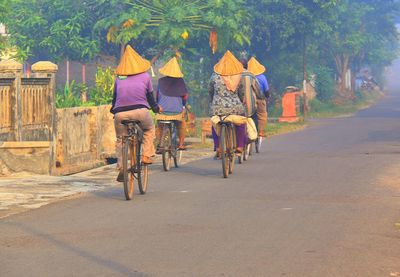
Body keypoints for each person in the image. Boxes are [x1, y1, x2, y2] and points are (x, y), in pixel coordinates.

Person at [110, 45, 162, 182]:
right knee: (149, 130)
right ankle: (146, 155)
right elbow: (151, 98)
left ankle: (121, 166)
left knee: (121, 140)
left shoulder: (118, 79)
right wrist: (156, 109)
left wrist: (113, 110)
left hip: (120, 114)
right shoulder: (145, 77)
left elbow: (114, 100)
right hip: (141, 112)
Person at [209, 50, 247, 157]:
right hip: (236, 108)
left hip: (217, 108)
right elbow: (242, 93)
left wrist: (213, 102)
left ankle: (218, 147)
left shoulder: (214, 76)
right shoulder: (239, 77)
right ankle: (239, 146)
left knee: (215, 124)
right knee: (240, 123)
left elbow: (210, 91)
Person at [156, 57, 189, 151]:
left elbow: (157, 96)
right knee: (181, 124)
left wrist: (157, 106)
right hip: (177, 111)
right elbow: (185, 96)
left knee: (160, 126)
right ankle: (181, 144)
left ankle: (160, 144)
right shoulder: (181, 81)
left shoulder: (160, 81)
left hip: (162, 111)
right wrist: (183, 106)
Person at [247, 57, 269, 137]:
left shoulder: (245, 76)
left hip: (248, 100)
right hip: (259, 100)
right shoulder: (262, 77)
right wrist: (267, 97)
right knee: (262, 114)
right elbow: (266, 90)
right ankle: (261, 131)